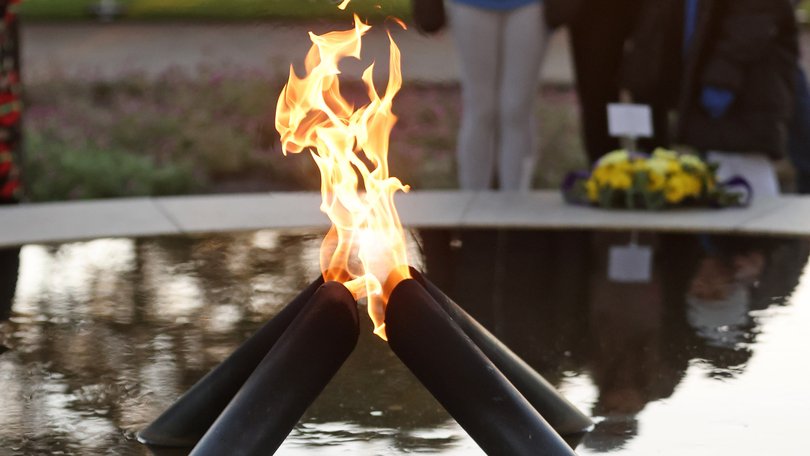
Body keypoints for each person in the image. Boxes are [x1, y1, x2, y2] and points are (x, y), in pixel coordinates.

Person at [625, 0, 799, 197]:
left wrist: (721, 80)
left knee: (748, 178)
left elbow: (752, 23)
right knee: (723, 177)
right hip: (715, 85)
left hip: (742, 91)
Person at [447, 0, 550, 190]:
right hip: (470, 5)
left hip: (530, 5)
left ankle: (515, 198)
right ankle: (473, 198)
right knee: (480, 108)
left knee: (517, 109)